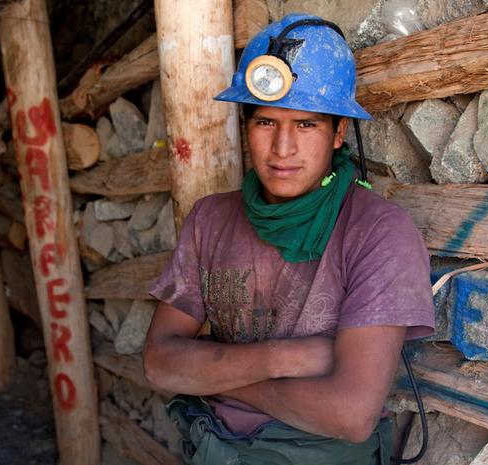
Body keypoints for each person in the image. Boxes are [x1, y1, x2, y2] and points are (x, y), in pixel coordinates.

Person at [143, 13, 435, 465]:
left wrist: (210, 371)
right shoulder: (210, 218)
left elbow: (350, 416)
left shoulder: (378, 232)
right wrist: (284, 357)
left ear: (339, 132)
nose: (282, 149)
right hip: (210, 446)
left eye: (305, 125)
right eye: (265, 123)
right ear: (246, 127)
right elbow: (159, 364)